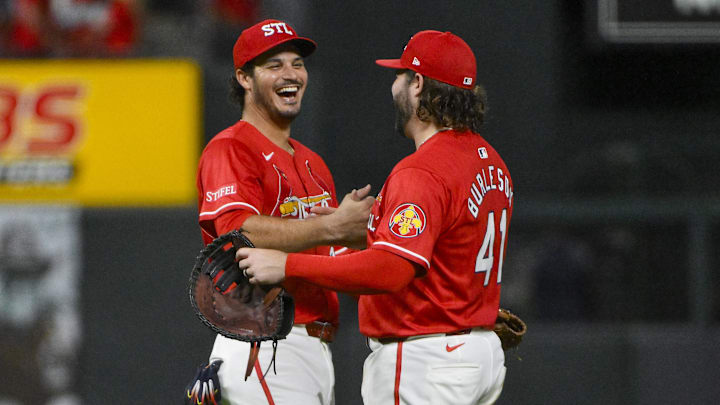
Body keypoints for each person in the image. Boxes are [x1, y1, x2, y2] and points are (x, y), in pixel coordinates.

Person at [238, 30, 514, 405]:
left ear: (418, 85)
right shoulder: (492, 162)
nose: (395, 86)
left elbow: (391, 270)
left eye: (399, 76)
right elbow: (445, 245)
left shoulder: (422, 171)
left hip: (427, 358)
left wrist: (288, 264)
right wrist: (364, 232)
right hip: (478, 352)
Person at [190, 19, 374, 405]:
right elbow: (237, 230)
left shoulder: (313, 163)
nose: (291, 74)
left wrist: (459, 316)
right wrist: (332, 227)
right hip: (264, 343)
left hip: (312, 348)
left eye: (298, 63)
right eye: (274, 65)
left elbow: (337, 260)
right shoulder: (230, 148)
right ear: (244, 77)